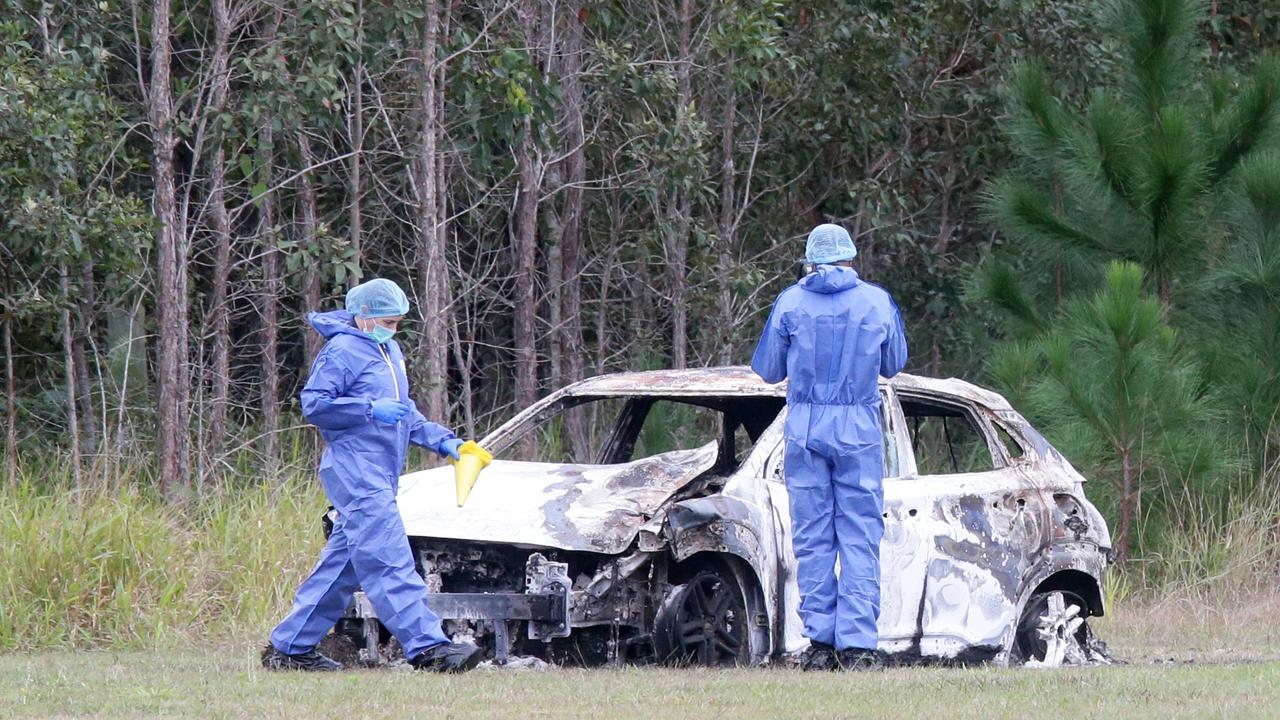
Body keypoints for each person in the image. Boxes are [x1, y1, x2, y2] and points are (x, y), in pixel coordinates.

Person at [262, 278, 484, 673]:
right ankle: (429, 649)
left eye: (397, 322)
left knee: (343, 566)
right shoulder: (342, 350)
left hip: (380, 470)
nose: (392, 328)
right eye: (386, 320)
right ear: (363, 316)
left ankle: (290, 648)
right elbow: (315, 404)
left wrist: (447, 444)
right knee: (388, 558)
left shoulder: (388, 350)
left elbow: (404, 415)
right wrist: (367, 408)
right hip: (355, 468)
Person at [750, 224, 908, 671]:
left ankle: (819, 643)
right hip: (858, 427)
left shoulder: (791, 302)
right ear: (850, 256)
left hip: (805, 428)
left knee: (813, 537)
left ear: (810, 258)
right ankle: (857, 645)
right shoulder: (877, 301)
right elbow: (895, 363)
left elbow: (767, 369)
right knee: (860, 535)